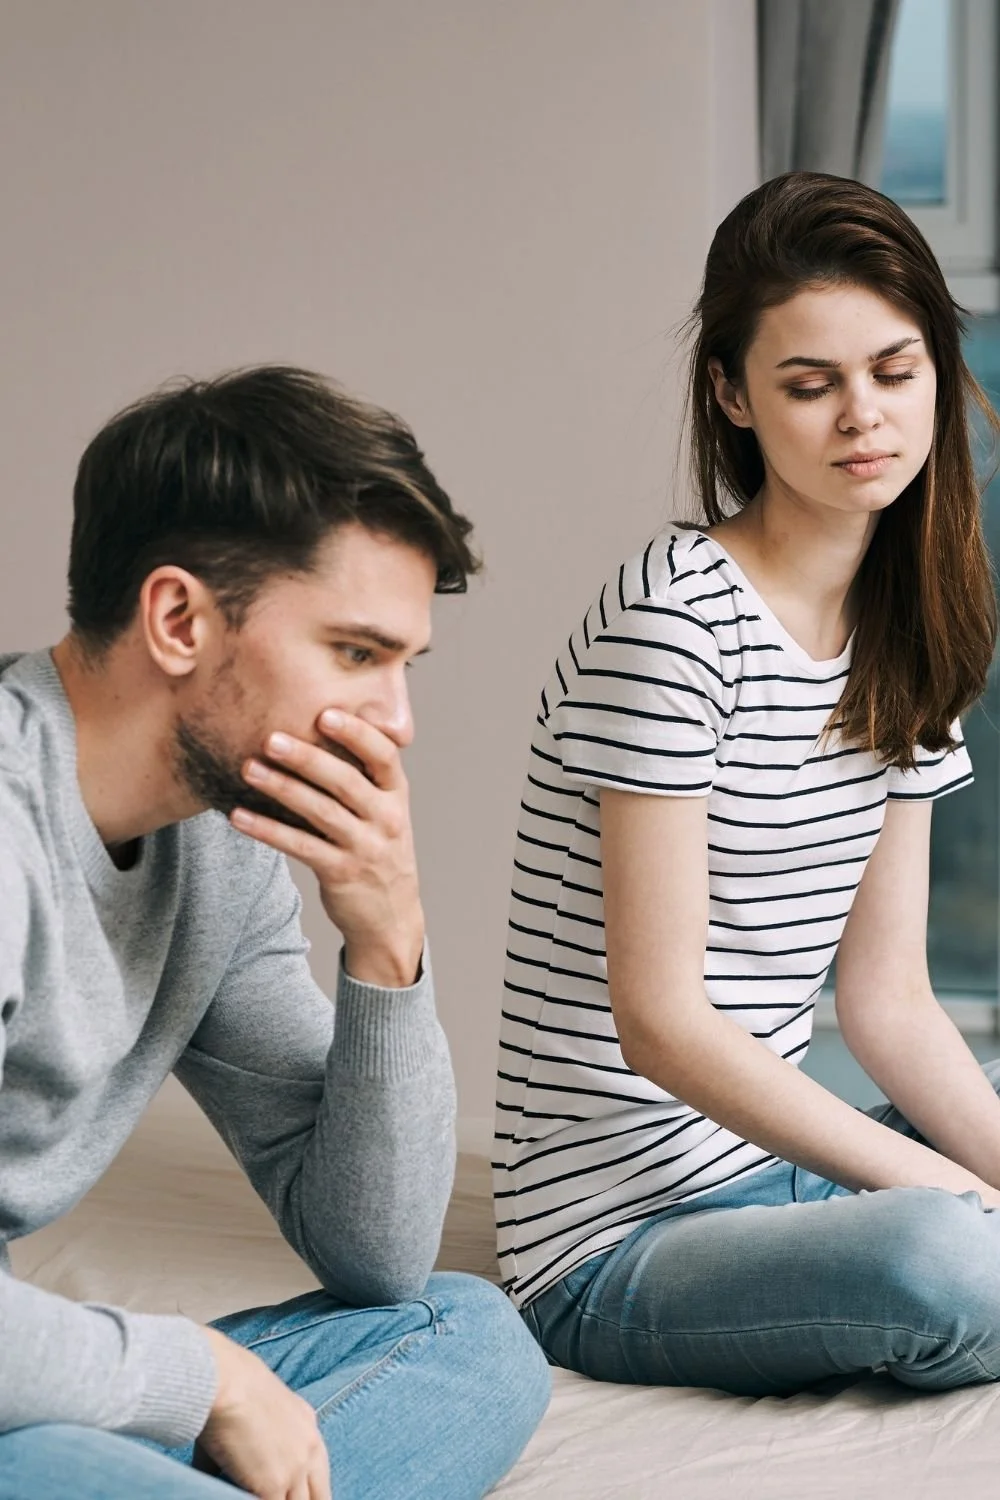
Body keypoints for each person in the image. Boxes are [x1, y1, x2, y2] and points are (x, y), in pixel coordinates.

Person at [0, 366, 550, 1500]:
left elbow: (375, 1257)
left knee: (462, 1336)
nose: (397, 723)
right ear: (178, 619)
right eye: (356, 654)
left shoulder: (222, 849)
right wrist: (199, 1377)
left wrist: (387, 946)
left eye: (406, 665)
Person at [495, 171, 1000, 1396]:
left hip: (786, 1179)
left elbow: (885, 1000)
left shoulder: (902, 629)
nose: (861, 417)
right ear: (732, 396)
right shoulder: (675, 624)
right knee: (944, 1260)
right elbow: (659, 1020)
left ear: (937, 366)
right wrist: (944, 1188)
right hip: (611, 1244)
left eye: (893, 370)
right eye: (808, 384)